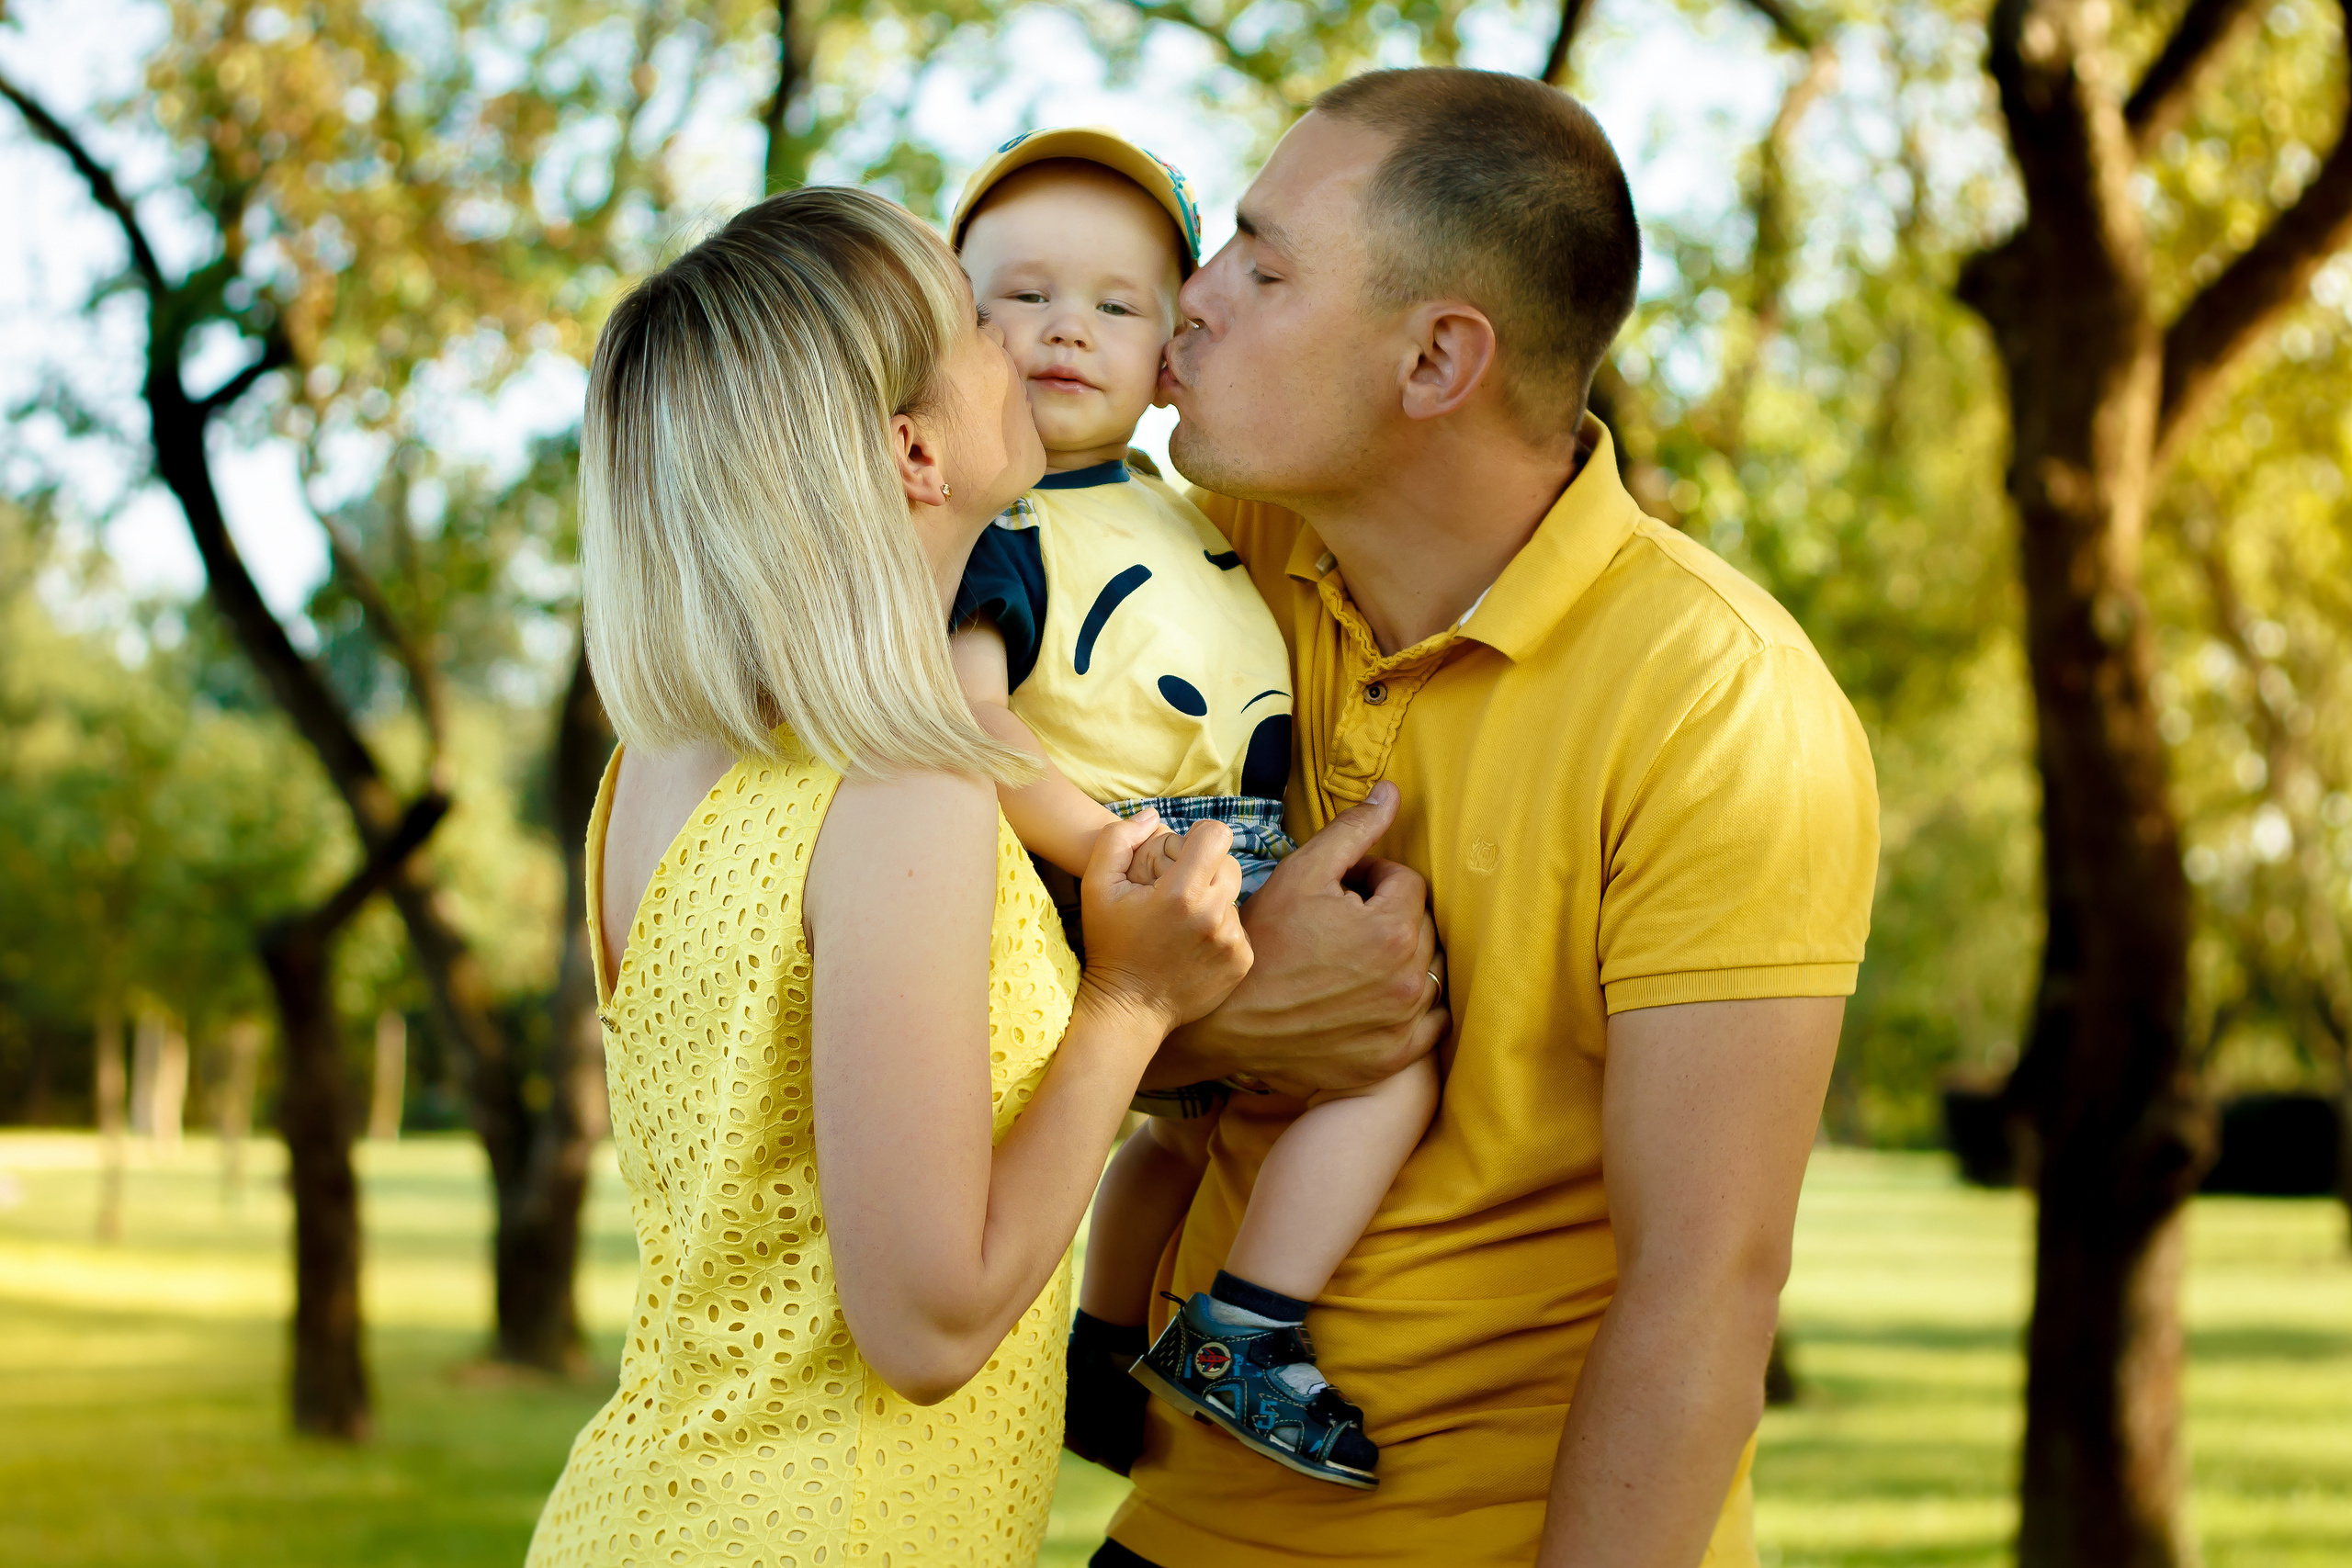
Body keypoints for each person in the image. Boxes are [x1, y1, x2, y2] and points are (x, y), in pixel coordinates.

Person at [1092, 68, 1881, 1568]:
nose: (1191, 294)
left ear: (1438, 360)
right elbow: (959, 1011)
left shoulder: (1723, 706)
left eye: (1264, 265)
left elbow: (1704, 1289)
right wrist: (1232, 1019)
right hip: (1171, 1532)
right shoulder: (1192, 571)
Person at [523, 185, 1255, 1568]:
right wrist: (1132, 1004)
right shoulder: (902, 786)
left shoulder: (660, 760)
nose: (1016, 338)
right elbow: (926, 1326)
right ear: (916, 449)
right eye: (975, 322)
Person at [940, 128, 1441, 1491]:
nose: (1066, 329)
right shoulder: (998, 527)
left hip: (1202, 842)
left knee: (1183, 1130)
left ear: (1173, 353)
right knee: (1390, 1056)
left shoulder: (1185, 503)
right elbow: (969, 722)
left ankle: (1103, 1339)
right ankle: (1248, 1327)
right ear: (950, 330)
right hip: (1109, 856)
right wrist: (1110, 850)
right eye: (1022, 296)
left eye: (1116, 306)